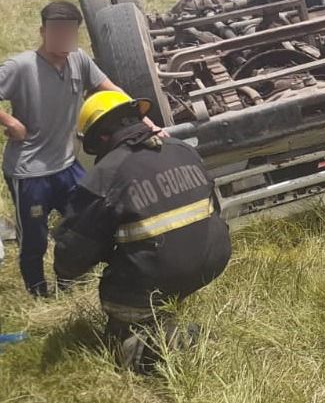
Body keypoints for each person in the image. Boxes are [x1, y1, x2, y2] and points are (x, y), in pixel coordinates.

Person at [53, 90, 231, 373]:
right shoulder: (181, 148)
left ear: (100, 138)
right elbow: (213, 207)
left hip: (164, 272)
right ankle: (174, 305)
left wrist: (64, 274)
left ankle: (159, 347)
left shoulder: (105, 175)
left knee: (116, 307)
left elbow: (74, 252)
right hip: (214, 258)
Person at [0, 1, 163, 297]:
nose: (64, 38)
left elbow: (111, 89)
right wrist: (10, 121)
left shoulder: (79, 60)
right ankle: (39, 296)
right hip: (29, 172)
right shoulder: (20, 66)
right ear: (43, 31)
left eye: (70, 32)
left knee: (89, 223)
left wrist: (145, 122)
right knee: (34, 240)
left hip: (67, 164)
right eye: (57, 31)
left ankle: (70, 282)